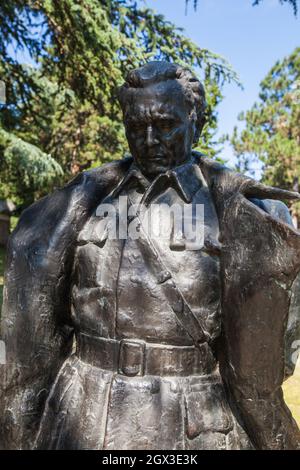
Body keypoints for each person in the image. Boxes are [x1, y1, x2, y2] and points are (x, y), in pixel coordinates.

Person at [0, 61, 300, 450]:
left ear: (196, 122)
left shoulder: (249, 215)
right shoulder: (76, 205)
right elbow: (31, 345)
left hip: (194, 424)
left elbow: (274, 351)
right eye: (136, 126)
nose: (149, 139)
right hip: (85, 415)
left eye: (165, 125)